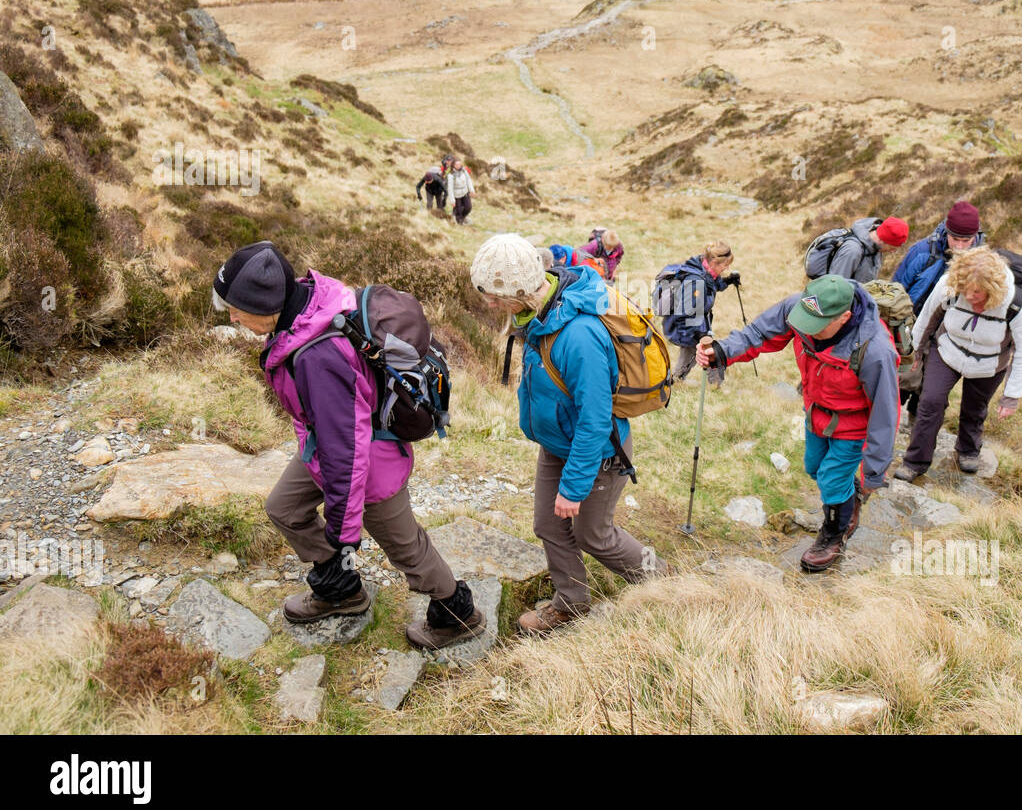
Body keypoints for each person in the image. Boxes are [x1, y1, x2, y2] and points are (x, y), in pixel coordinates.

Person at [210, 241, 485, 651]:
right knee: (284, 508)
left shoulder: (317, 358)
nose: (231, 318)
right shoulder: (307, 305)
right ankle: (340, 589)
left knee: (407, 549)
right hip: (327, 449)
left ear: (269, 306)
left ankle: (456, 612)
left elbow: (348, 450)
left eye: (237, 310)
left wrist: (342, 531)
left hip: (369, 465)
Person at [471, 233, 663, 634]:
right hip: (559, 444)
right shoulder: (538, 315)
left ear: (520, 289)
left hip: (598, 452)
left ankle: (663, 582)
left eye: (493, 294)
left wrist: (573, 489)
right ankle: (571, 603)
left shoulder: (579, 336)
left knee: (595, 536)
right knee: (547, 524)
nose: (488, 303)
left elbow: (594, 422)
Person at [697, 273, 900, 573]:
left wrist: (873, 472)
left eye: (816, 327)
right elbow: (761, 334)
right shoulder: (803, 308)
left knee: (831, 479)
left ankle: (833, 536)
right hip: (816, 412)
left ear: (844, 317)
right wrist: (724, 352)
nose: (807, 331)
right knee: (813, 467)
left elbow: (886, 415)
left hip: (853, 426)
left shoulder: (876, 350)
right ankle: (847, 493)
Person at [893, 246, 1022, 483]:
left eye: (976, 292)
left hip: (989, 363)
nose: (969, 296)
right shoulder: (950, 285)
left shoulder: (1014, 303)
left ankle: (968, 450)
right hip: (948, 351)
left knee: (974, 408)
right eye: (964, 290)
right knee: (930, 403)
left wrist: (1012, 396)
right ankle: (915, 461)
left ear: (992, 288)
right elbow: (927, 318)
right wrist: (913, 354)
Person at [892, 201, 985, 426]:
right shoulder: (923, 252)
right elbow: (897, 287)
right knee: (901, 379)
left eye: (966, 240)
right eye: (956, 239)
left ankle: (916, 429)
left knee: (931, 390)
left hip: (949, 334)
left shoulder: (982, 263)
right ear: (946, 230)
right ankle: (887, 426)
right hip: (913, 326)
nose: (961, 246)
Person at [661, 240, 740, 387]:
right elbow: (685, 314)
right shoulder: (696, 281)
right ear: (715, 262)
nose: (728, 267)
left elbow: (712, 285)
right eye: (725, 264)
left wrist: (727, 281)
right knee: (700, 353)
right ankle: (673, 384)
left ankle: (711, 384)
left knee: (700, 354)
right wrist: (699, 335)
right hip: (688, 327)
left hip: (697, 323)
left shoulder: (704, 269)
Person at [818, 216, 910, 283]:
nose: (892, 251)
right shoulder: (852, 251)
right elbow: (834, 286)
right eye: (892, 248)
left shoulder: (875, 249)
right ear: (883, 241)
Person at [447, 157, 475, 225]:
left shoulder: (464, 171)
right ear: (453, 165)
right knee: (458, 210)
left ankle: (463, 217)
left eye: (460, 164)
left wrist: (471, 190)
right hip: (457, 195)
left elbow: (468, 180)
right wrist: (452, 201)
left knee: (468, 207)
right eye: (457, 164)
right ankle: (460, 223)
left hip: (465, 192)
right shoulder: (451, 175)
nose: (459, 166)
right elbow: (450, 188)